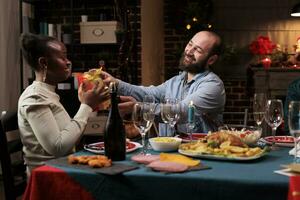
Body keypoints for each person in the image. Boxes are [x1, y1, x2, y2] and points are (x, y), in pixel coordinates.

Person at [18, 33, 108, 176]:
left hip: (65, 168)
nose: (68, 62)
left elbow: (70, 140)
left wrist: (85, 104)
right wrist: (86, 106)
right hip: (48, 178)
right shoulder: (35, 97)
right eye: (62, 57)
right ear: (44, 63)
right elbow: (59, 148)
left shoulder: (47, 93)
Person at [101, 30, 226, 133]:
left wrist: (138, 108)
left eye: (198, 50)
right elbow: (146, 93)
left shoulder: (213, 86)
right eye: (190, 44)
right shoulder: (175, 81)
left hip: (200, 153)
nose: (189, 52)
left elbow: (181, 111)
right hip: (167, 153)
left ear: (211, 60)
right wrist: (115, 83)